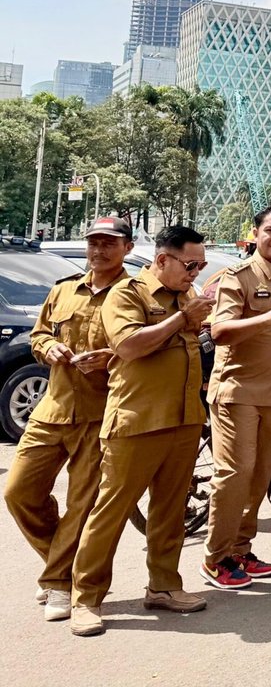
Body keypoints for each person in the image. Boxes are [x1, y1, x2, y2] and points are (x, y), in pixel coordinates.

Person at [67, 225, 213, 637]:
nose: (196, 273)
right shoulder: (127, 294)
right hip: (137, 420)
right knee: (110, 512)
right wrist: (184, 319)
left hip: (184, 419)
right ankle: (86, 597)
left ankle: (164, 585)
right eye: (190, 264)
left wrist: (192, 319)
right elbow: (129, 346)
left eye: (200, 265)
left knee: (170, 511)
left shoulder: (188, 295)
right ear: (163, 259)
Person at [6, 216, 134, 622]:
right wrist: (50, 350)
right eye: (94, 242)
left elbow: (145, 349)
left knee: (83, 505)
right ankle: (63, 567)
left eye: (109, 243)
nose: (99, 250)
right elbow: (39, 334)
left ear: (127, 248)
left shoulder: (134, 294)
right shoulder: (63, 291)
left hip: (102, 415)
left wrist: (111, 358)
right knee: (18, 492)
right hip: (52, 409)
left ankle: (60, 584)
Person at [203, 204, 271, 589]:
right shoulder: (238, 277)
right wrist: (267, 317)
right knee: (234, 474)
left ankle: (240, 551)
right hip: (239, 391)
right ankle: (216, 558)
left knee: (262, 474)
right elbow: (220, 330)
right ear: (256, 233)